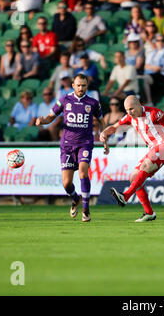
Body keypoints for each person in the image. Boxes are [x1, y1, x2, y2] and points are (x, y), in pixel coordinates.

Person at [101, 95, 164, 222]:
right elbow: (115, 127)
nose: (129, 112)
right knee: (134, 177)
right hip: (153, 149)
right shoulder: (130, 117)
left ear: (139, 104)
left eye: (131, 109)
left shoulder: (154, 114)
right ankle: (149, 213)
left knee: (145, 166)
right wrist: (105, 133)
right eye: (127, 110)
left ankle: (125, 196)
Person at [36, 77, 106, 223]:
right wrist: (42, 121)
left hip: (85, 143)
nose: (81, 88)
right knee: (66, 183)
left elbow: (101, 120)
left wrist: (104, 137)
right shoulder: (64, 100)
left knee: (82, 172)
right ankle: (76, 199)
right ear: (73, 85)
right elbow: (51, 117)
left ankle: (86, 210)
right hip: (67, 145)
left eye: (84, 86)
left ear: (87, 86)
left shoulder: (93, 103)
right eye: (78, 85)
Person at [142, 34, 164, 104]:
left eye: (162, 40)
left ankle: (149, 101)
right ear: (155, 42)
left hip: (163, 75)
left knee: (145, 79)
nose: (160, 42)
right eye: (158, 40)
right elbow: (145, 66)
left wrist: (161, 69)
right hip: (151, 73)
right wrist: (154, 68)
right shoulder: (151, 53)